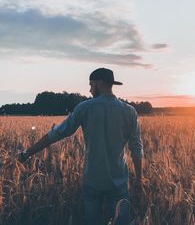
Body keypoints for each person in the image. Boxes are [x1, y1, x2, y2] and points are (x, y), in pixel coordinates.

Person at [17, 68, 144, 225]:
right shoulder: (129, 111)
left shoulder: (85, 108)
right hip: (119, 182)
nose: (90, 90)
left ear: (99, 83)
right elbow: (136, 148)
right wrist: (139, 179)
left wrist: (26, 153)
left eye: (91, 85)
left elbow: (56, 134)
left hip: (93, 180)